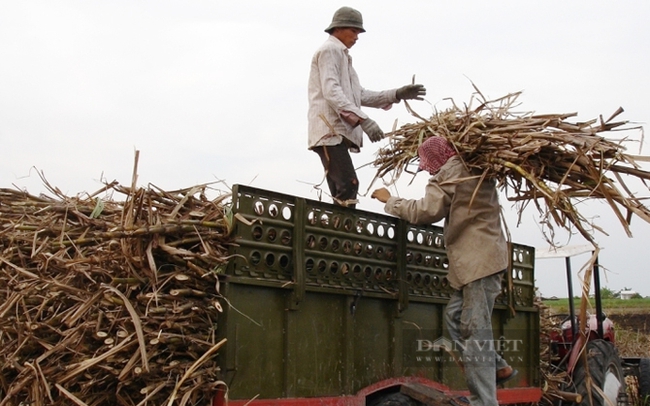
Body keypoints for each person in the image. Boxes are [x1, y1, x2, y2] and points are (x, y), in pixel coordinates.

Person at [371, 136, 516, 406]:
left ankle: (484, 401)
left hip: (477, 264)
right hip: (485, 261)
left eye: (428, 164)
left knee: (475, 334)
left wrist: (390, 200)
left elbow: (425, 211)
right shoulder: (477, 166)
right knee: (454, 316)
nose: (429, 170)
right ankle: (498, 367)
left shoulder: (449, 174)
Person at [308, 6, 426, 208]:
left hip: (336, 132)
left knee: (342, 187)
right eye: (354, 31)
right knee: (349, 184)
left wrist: (396, 94)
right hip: (329, 130)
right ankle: (343, 234)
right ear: (339, 29)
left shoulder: (344, 57)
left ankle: (340, 231)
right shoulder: (330, 50)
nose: (357, 37)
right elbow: (331, 92)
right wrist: (363, 120)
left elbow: (358, 95)